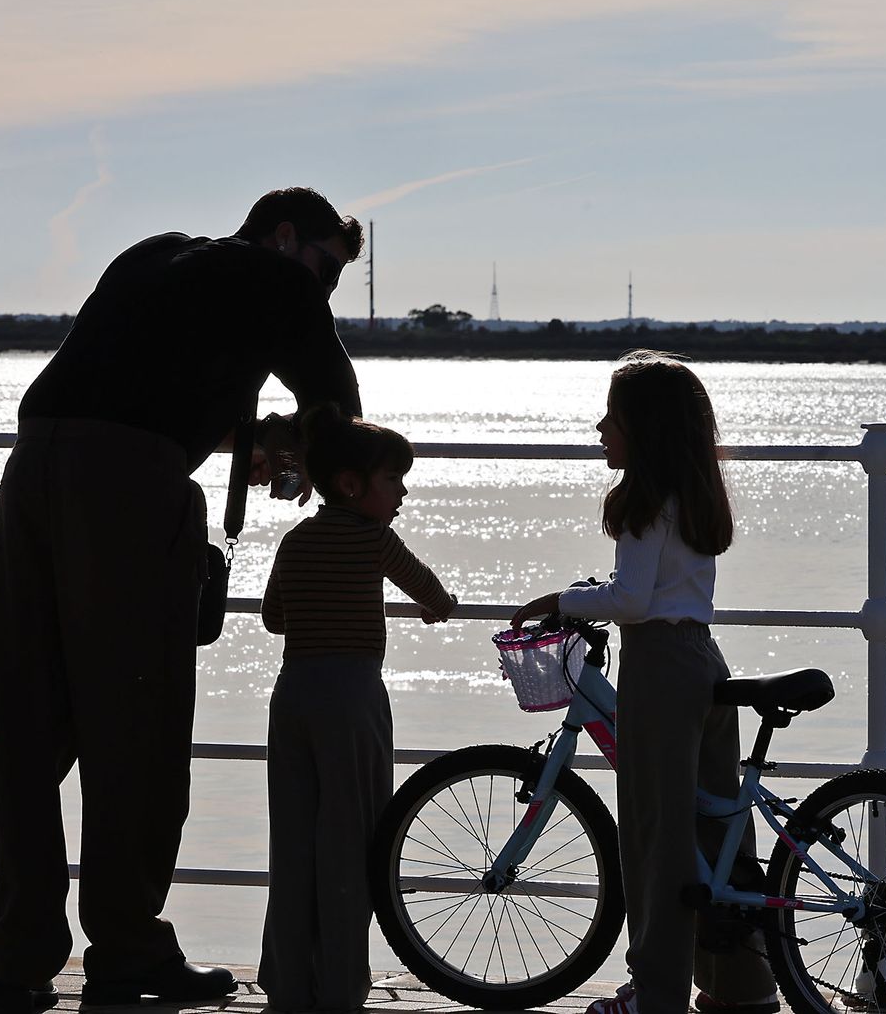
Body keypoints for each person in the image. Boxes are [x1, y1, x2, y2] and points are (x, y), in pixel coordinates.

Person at [0, 188, 366, 1014]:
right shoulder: (277, 280)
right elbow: (337, 400)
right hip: (122, 495)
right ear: (286, 236)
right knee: (140, 726)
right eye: (327, 266)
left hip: (31, 470)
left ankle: (20, 953)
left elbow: (134, 389)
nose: (326, 288)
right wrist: (312, 459)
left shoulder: (156, 255)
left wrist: (251, 443)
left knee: (31, 728)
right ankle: (125, 946)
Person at [511, 350, 778, 1014]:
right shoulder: (693, 495)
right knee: (717, 832)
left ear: (645, 428)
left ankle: (655, 995)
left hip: (658, 667)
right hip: (704, 659)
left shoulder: (642, 503)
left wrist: (564, 599)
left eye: (613, 417)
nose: (601, 428)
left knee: (655, 837)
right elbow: (657, 590)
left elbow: (631, 599)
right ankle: (740, 987)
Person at [258, 404, 457, 1011]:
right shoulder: (375, 539)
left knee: (292, 844)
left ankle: (289, 984)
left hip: (293, 694)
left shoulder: (296, 539)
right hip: (352, 696)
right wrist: (438, 604)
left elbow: (273, 617)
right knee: (350, 839)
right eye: (393, 481)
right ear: (352, 485)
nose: (402, 492)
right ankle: (342, 985)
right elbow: (431, 593)